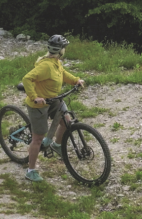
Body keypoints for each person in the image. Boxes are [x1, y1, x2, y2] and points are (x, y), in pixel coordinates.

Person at [20, 34, 85, 182]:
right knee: (38, 138)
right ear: (61, 50)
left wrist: (75, 80)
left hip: (53, 99)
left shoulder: (56, 62)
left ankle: (56, 145)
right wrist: (34, 97)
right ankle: (31, 171)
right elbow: (27, 78)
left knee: (67, 122)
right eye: (65, 48)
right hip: (39, 105)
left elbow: (62, 74)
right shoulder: (46, 66)